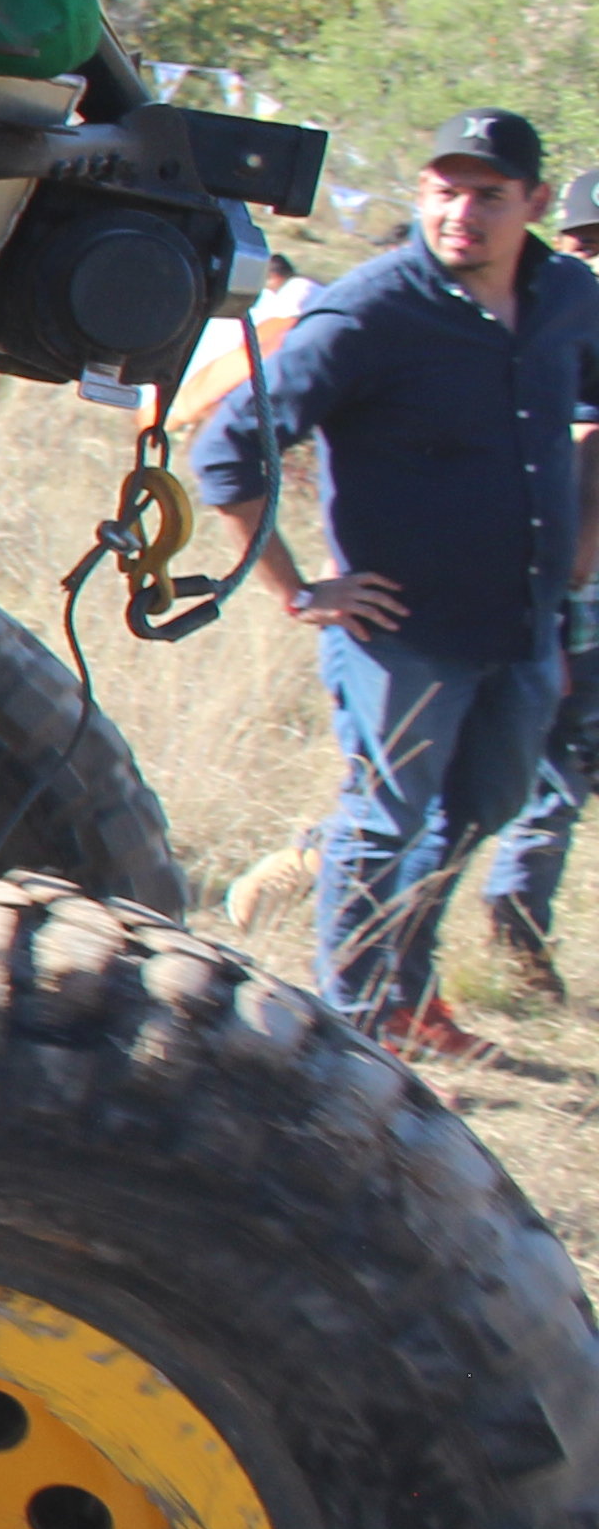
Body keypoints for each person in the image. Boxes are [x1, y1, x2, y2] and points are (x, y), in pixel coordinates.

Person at [185, 111, 599, 1060]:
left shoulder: (569, 296)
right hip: (403, 632)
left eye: (489, 195)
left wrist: (581, 552)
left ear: (534, 204)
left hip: (526, 622)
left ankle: (404, 993)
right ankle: (358, 1032)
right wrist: (298, 590)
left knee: (483, 806)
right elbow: (227, 447)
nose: (463, 213)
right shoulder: (372, 309)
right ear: (418, 192)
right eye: (444, 190)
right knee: (387, 820)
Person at [471, 164, 599, 1000]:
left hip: (544, 581)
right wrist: (570, 592)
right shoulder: (567, 314)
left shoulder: (549, 305)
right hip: (564, 589)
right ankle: (515, 925)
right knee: (550, 767)